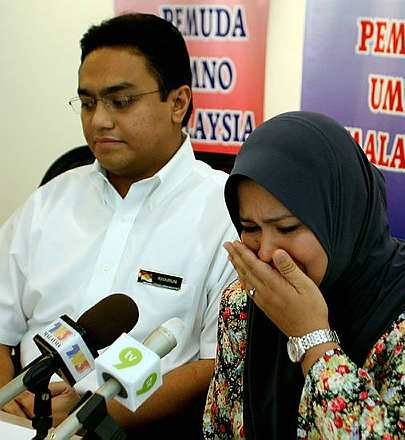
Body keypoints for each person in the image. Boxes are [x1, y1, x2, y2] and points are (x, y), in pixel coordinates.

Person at [0, 13, 236, 434]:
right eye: (88, 103)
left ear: (178, 103)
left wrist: (92, 414)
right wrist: (11, 394)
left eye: (120, 101)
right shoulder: (50, 201)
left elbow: (220, 363)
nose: (99, 121)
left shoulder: (226, 212)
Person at [203, 111, 405, 438]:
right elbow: (220, 429)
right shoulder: (245, 300)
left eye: (287, 228)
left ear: (340, 217)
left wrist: (312, 338)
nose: (265, 253)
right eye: (250, 229)